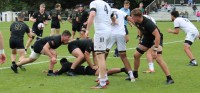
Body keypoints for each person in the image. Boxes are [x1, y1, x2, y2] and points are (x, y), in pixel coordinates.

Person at [131, 8, 174, 84]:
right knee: (136, 55)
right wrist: (140, 39)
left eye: (133, 16)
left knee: (158, 58)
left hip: (156, 39)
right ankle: (135, 73)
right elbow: (140, 29)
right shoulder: (136, 21)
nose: (131, 18)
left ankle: (169, 78)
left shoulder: (148, 23)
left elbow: (157, 36)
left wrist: (155, 49)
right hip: (147, 38)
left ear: (138, 16)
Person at [85, 0, 112, 89]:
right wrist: (115, 22)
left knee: (100, 57)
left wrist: (87, 30)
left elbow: (92, 14)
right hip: (108, 31)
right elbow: (112, 17)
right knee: (102, 56)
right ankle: (104, 78)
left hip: (101, 32)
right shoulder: (106, 4)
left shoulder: (94, 3)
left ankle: (102, 83)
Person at [106, 7, 135, 82]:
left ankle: (101, 76)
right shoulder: (121, 11)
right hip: (121, 34)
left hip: (111, 34)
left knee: (104, 54)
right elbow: (129, 18)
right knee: (123, 56)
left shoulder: (107, 11)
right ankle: (131, 76)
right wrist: (138, 26)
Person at [53, 58, 128, 76]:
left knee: (105, 73)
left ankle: (122, 69)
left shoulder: (65, 65)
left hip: (88, 70)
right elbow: (61, 70)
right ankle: (122, 69)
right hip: (88, 68)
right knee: (105, 72)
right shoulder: (70, 64)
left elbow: (60, 72)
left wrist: (53, 73)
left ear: (62, 63)